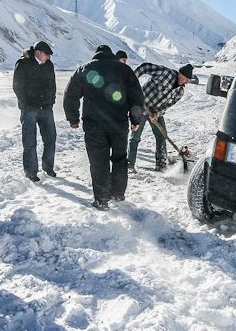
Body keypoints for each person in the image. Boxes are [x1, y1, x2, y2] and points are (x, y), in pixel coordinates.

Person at [63, 45, 145, 210]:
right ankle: (118, 194)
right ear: (112, 55)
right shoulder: (124, 69)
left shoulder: (85, 69)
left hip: (94, 125)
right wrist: (135, 120)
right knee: (120, 159)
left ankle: (101, 199)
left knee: (98, 161)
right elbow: (136, 96)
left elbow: (70, 94)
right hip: (118, 124)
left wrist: (73, 118)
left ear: (96, 56)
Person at [127, 62, 193, 173]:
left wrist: (157, 114)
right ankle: (129, 165)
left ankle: (161, 166)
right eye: (185, 78)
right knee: (135, 136)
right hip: (141, 105)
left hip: (154, 112)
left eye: (188, 80)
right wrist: (132, 81)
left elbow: (167, 105)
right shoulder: (165, 73)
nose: (186, 81)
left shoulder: (180, 91)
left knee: (162, 136)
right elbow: (145, 67)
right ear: (180, 74)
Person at [12, 40, 56, 181]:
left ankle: (48, 167)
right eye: (47, 54)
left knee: (50, 138)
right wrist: (26, 103)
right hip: (29, 109)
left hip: (46, 108)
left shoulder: (49, 65)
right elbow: (17, 85)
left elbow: (53, 84)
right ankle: (31, 172)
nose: (49, 57)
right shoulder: (23, 63)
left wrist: (51, 101)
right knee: (30, 142)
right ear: (38, 52)